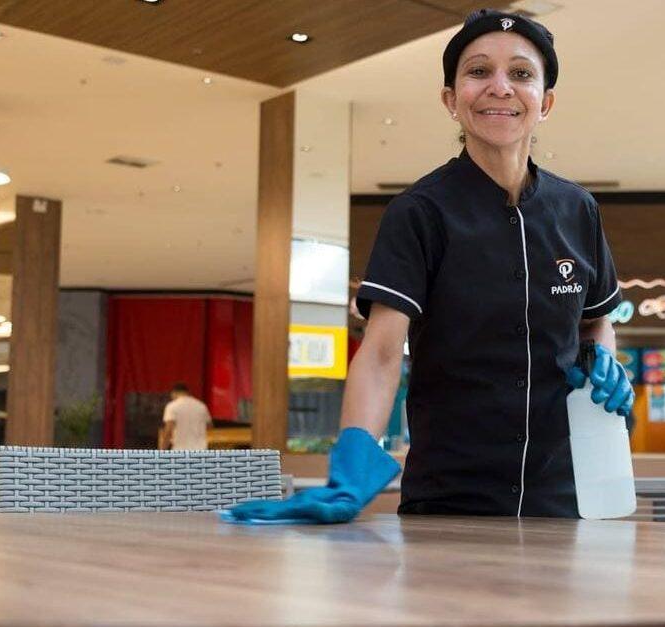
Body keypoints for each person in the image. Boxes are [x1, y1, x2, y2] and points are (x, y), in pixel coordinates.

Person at [227, 8, 633, 524]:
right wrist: (352, 461)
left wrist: (602, 358)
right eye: (479, 71)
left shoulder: (578, 210)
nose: (500, 87)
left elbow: (596, 316)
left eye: (522, 74)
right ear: (450, 99)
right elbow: (379, 356)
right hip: (449, 504)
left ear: (546, 102)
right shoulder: (420, 213)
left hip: (565, 499)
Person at [159, 382, 212, 450]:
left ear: (173, 393)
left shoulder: (172, 406)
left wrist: (162, 450)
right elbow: (209, 426)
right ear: (188, 393)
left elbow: (169, 430)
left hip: (181, 451)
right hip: (201, 451)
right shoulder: (201, 406)